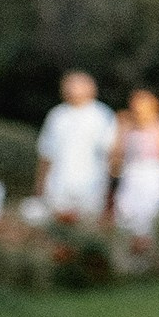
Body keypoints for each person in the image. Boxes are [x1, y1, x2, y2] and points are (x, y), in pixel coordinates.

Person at [35, 70, 115, 219]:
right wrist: (40, 186)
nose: (70, 89)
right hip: (58, 184)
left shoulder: (102, 115)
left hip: (91, 185)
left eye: (76, 85)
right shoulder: (57, 115)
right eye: (67, 85)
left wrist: (110, 190)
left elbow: (111, 154)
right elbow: (46, 153)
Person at [110, 87, 159, 236]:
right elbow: (116, 155)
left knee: (152, 217)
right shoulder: (126, 126)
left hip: (154, 177)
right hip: (131, 176)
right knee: (126, 215)